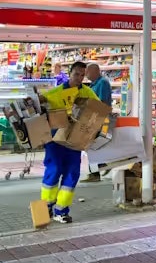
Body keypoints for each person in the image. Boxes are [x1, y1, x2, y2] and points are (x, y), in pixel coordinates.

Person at [40, 61, 99, 224]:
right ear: (69, 73)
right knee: (54, 169)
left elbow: (98, 111)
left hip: (75, 141)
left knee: (72, 173)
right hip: (55, 139)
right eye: (76, 74)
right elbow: (41, 107)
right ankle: (46, 207)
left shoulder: (88, 93)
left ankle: (61, 211)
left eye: (82, 75)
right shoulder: (55, 93)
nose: (79, 78)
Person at [81, 63, 113, 183]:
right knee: (93, 145)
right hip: (95, 117)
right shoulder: (95, 84)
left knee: (92, 145)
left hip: (99, 118)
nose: (86, 75)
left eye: (87, 72)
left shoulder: (102, 83)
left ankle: (95, 172)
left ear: (95, 71)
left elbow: (102, 102)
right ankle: (99, 167)